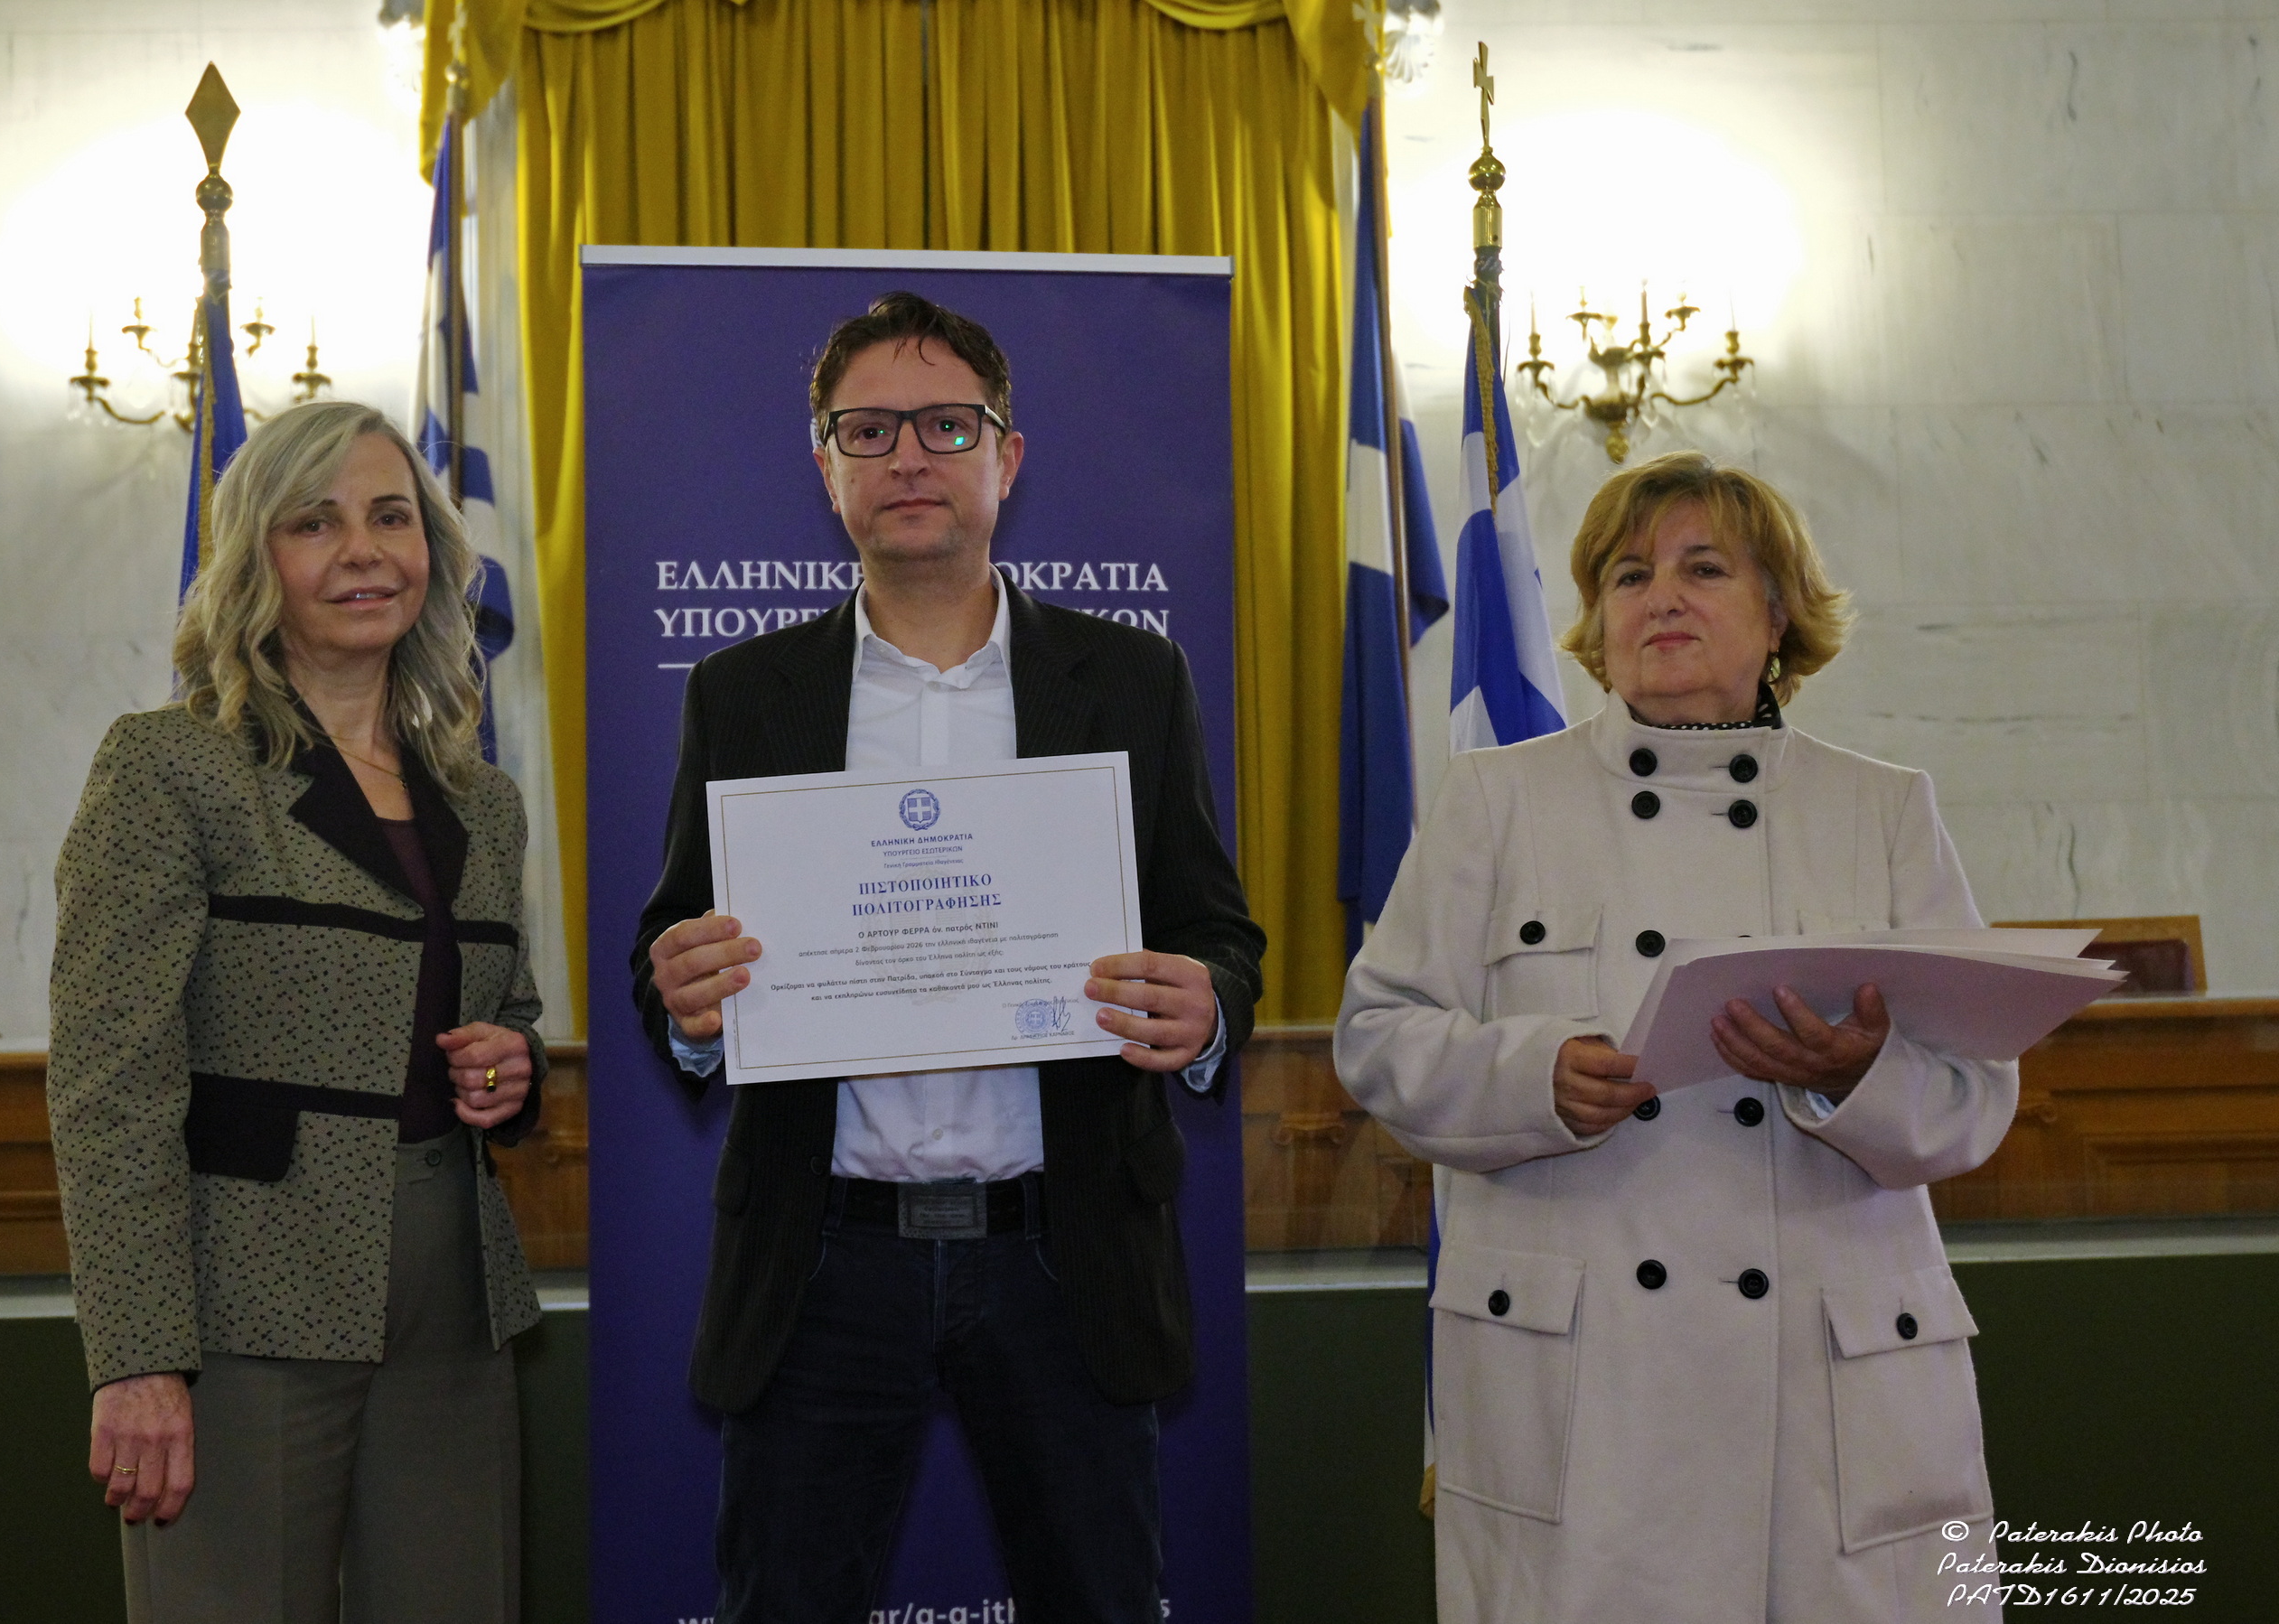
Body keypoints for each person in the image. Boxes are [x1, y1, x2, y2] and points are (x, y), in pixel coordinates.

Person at [630, 290, 1266, 1624]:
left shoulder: (1131, 680)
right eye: (867, 429)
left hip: (1063, 1252)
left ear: (1006, 457)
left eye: (946, 425)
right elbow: (672, 944)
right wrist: (684, 1003)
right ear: (825, 466)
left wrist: (1205, 1007)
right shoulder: (743, 694)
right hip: (821, 1259)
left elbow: (1216, 932)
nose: (908, 455)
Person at [1336, 452, 2014, 1623]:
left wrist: (1855, 1077)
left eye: (1705, 569)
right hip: (1591, 1403)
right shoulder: (1498, 800)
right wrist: (1535, 1077)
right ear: (1598, 620)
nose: (1662, 598)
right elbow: (1378, 1035)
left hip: (1827, 1408)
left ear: (1778, 613)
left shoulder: (1882, 808)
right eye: (1629, 574)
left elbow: (1976, 1097)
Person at [46, 400, 548, 1623]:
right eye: (315, 523)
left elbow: (508, 1011)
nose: (363, 550)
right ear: (254, 559)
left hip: (455, 1302)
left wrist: (512, 1062)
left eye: (391, 517)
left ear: (432, 550)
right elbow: (110, 1088)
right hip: (239, 1304)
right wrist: (138, 1356)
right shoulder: (169, 766)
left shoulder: (482, 801)